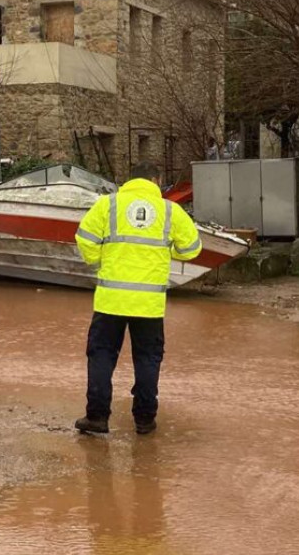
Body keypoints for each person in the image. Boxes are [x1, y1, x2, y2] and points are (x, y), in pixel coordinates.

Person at [73, 162, 202, 436]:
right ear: (155, 180)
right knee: (147, 359)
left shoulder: (106, 205)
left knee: (102, 356)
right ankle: (144, 420)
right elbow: (192, 249)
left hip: (111, 300)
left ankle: (97, 417)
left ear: (127, 180)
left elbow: (85, 238)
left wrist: (99, 260)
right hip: (149, 304)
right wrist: (166, 253)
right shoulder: (170, 211)